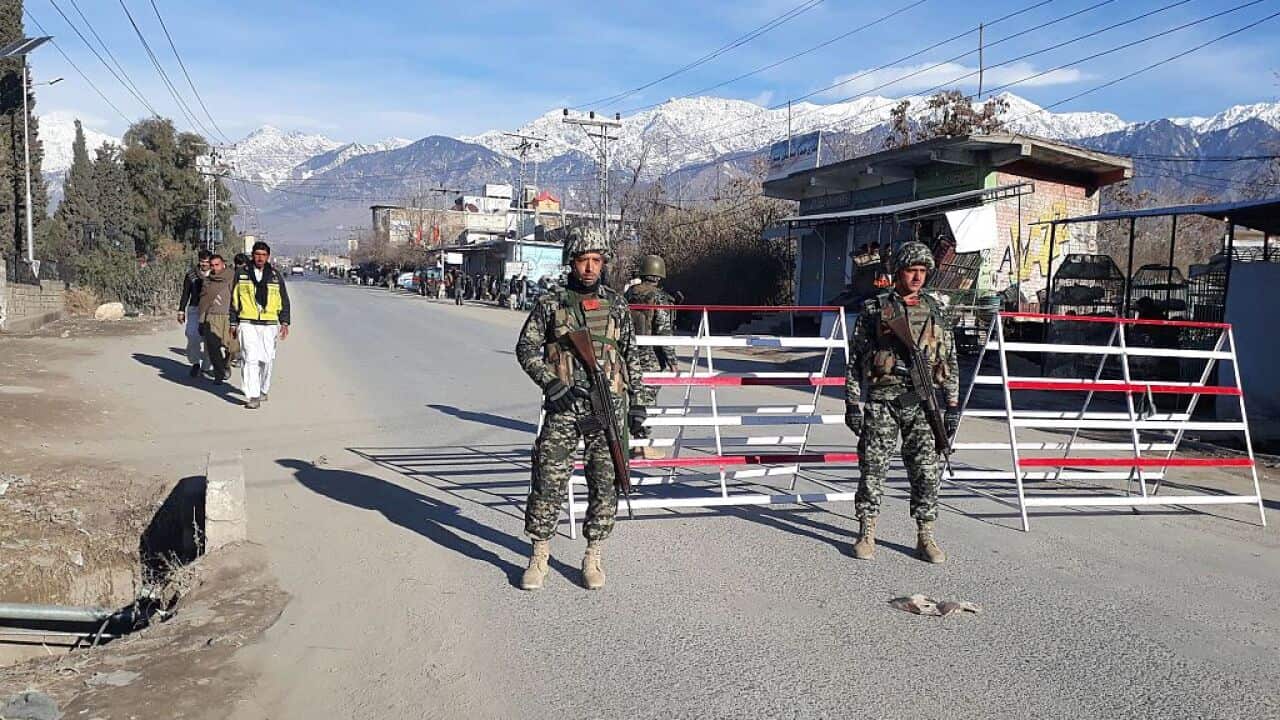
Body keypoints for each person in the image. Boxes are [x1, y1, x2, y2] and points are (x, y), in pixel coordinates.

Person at [515, 228, 644, 591]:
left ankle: (593, 556)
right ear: (571, 261)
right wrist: (552, 384)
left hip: (608, 406)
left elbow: (631, 356)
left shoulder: (617, 303)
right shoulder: (551, 303)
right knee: (548, 480)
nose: (590, 268)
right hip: (566, 407)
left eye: (597, 261)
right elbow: (525, 349)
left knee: (606, 482)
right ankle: (539, 555)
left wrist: (639, 407)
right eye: (583, 260)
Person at [845, 241, 959, 564]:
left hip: (922, 404)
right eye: (912, 270)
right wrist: (852, 402)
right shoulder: (876, 309)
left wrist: (951, 406)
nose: (917, 277)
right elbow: (855, 360)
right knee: (872, 468)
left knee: (925, 471)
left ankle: (926, 536)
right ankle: (866, 531)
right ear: (898, 272)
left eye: (923, 271)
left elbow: (948, 360)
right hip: (883, 401)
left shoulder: (937, 310)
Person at [624, 254, 678, 460]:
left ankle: (635, 441)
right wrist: (672, 360)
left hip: (629, 354)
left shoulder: (630, 294)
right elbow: (663, 331)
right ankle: (641, 444)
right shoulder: (659, 298)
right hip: (650, 357)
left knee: (633, 398)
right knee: (646, 400)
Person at [230, 241, 291, 410]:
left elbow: (284, 299)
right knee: (250, 358)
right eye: (257, 254)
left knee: (266, 360)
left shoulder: (275, 276)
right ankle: (253, 395)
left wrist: (284, 322)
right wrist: (233, 322)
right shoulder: (242, 274)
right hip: (247, 321)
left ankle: (263, 388)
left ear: (268, 257)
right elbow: (234, 299)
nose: (260, 258)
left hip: (269, 323)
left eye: (263, 255)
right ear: (252, 255)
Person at [198, 254, 233, 383]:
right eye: (212, 265)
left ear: (223, 264)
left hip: (229, 317)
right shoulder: (208, 281)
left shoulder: (232, 278)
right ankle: (219, 374)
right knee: (213, 347)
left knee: (233, 347)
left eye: (217, 265)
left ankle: (226, 364)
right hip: (211, 317)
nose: (214, 268)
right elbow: (203, 302)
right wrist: (201, 321)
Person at [177, 250, 212, 378]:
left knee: (210, 339)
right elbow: (185, 293)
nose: (204, 264)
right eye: (202, 261)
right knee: (192, 335)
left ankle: (206, 366)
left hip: (211, 310)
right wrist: (181, 310)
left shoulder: (215, 274)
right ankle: (195, 362)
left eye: (207, 262)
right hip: (194, 309)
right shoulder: (191, 275)